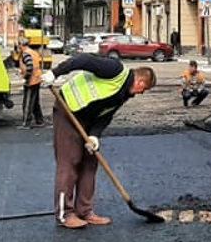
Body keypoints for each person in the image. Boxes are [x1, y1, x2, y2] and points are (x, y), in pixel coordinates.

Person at [42, 55, 156, 229]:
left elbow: (106, 116)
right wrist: (55, 73)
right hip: (68, 110)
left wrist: (95, 136)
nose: (142, 93)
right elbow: (83, 60)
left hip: (87, 119)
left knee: (90, 162)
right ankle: (65, 214)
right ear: (140, 82)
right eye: (144, 89)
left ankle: (85, 211)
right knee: (69, 162)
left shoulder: (123, 94)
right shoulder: (115, 70)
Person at [17, 35, 45, 128]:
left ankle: (26, 123)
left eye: (19, 45)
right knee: (35, 102)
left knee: (28, 102)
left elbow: (29, 67)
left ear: (22, 45)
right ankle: (39, 121)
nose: (18, 47)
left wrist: (26, 77)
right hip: (37, 79)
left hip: (31, 81)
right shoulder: (33, 52)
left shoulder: (26, 54)